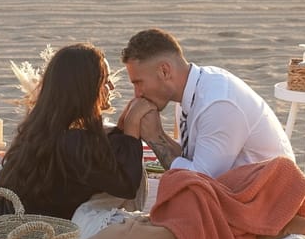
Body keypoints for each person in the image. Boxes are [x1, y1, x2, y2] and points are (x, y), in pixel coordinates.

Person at [0, 42, 148, 219]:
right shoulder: (71, 142)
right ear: (85, 89)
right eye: (105, 81)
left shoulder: (45, 130)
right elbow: (126, 186)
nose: (111, 87)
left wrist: (121, 129)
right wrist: (132, 131)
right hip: (38, 238)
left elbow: (104, 160)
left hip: (23, 228)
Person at [119, 28, 294, 178]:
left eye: (138, 83)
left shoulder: (217, 104)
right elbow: (191, 159)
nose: (137, 93)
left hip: (266, 198)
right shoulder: (192, 89)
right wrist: (159, 137)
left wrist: (154, 137)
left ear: (165, 71)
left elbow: (200, 182)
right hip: (238, 189)